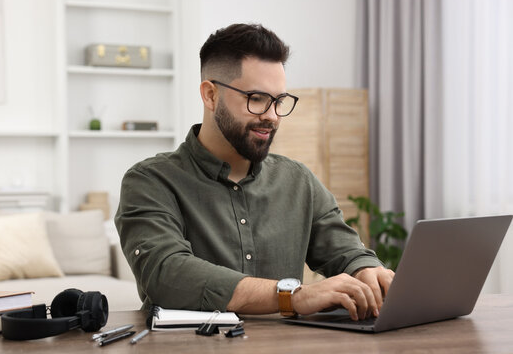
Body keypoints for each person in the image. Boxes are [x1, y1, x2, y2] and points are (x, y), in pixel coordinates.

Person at [115, 23, 394, 321]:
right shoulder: (149, 181)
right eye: (257, 99)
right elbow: (166, 273)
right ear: (210, 95)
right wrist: (293, 296)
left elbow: (345, 251)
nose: (272, 116)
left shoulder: (298, 181)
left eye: (279, 101)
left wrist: (367, 271)